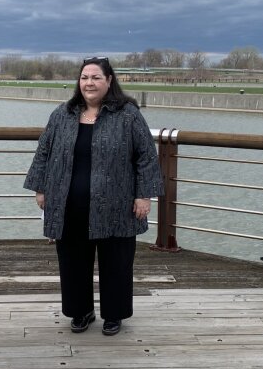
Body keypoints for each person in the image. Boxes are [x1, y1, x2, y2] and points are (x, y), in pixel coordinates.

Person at [24, 57, 163, 336]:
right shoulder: (62, 114)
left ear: (109, 81)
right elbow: (43, 152)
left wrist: (144, 195)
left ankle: (114, 314)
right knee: (73, 262)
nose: (89, 82)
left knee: (116, 262)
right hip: (69, 203)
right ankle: (81, 311)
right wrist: (41, 188)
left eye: (96, 77)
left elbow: (146, 156)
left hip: (117, 204)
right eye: (85, 77)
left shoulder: (128, 114)